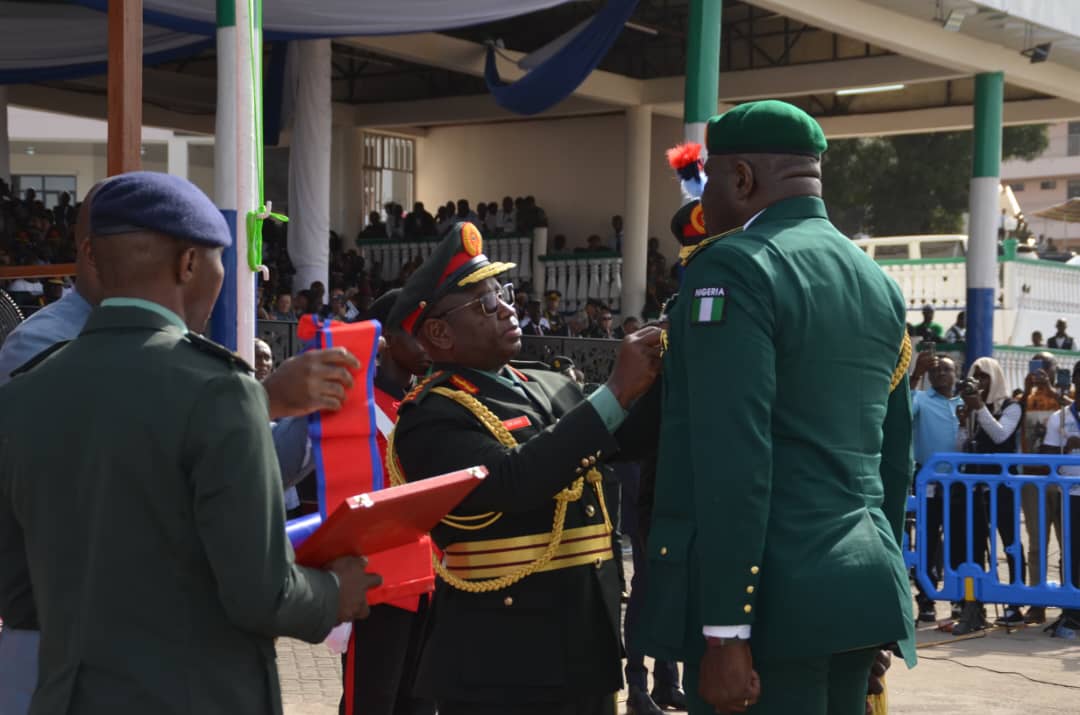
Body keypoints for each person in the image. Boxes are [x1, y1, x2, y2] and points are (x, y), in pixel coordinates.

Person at [0, 172, 380, 715]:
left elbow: (17, 587)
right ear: (188, 265)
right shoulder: (220, 390)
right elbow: (262, 595)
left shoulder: (26, 391)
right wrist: (333, 594)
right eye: (220, 261)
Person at [639, 101, 915, 715]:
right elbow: (896, 458)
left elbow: (735, 459)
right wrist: (880, 605)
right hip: (859, 589)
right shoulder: (876, 283)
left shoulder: (734, 266)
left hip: (772, 605)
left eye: (709, 178)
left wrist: (727, 632)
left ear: (741, 178)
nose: (705, 196)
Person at [386, 221, 662, 715]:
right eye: (487, 303)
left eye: (504, 293)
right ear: (439, 332)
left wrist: (667, 360)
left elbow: (633, 437)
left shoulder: (544, 382)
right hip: (501, 666)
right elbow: (512, 482)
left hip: (585, 649)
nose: (509, 308)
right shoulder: (430, 416)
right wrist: (616, 391)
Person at [339, 289, 436, 715]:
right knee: (371, 704)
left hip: (426, 584)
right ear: (386, 340)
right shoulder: (355, 407)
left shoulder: (420, 407)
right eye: (417, 333)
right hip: (377, 587)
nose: (429, 345)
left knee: (417, 706)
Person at [954, 356, 1025, 633]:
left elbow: (1000, 436)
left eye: (984, 377)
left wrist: (980, 408)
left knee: (1010, 543)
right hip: (975, 487)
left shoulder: (1011, 407)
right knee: (975, 546)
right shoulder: (971, 408)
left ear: (995, 378)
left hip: (1003, 487)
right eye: (975, 376)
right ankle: (975, 602)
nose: (980, 382)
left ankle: (1014, 603)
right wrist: (963, 422)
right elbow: (961, 447)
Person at [907, 351, 963, 623]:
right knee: (927, 544)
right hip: (928, 483)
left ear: (956, 374)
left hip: (960, 486)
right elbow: (902, 408)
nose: (941, 374)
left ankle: (959, 601)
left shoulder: (966, 401)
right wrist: (915, 374)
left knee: (959, 545)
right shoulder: (921, 399)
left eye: (946, 370)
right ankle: (926, 601)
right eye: (936, 371)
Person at [1019, 350, 1071, 627]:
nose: (1040, 370)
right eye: (1036, 365)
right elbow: (1015, 425)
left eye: (1046, 365)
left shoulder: (1066, 395)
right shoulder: (1023, 397)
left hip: (1063, 480)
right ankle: (1036, 604)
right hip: (1033, 480)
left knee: (1069, 543)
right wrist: (1027, 392)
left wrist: (1052, 391)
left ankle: (1069, 602)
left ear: (1055, 369)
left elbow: (1073, 410)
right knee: (1036, 543)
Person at [1039, 360, 1080, 639]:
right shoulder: (1060, 417)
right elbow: (1046, 457)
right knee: (1073, 554)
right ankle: (1073, 613)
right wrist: (1067, 446)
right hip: (1071, 493)